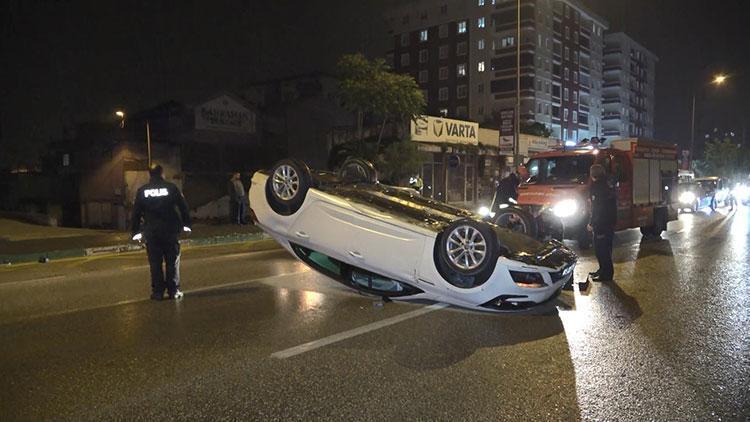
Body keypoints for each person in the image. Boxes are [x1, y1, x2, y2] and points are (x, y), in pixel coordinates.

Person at [131, 164, 192, 300]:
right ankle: (173, 290)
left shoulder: (142, 191)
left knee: (155, 262)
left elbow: (136, 213)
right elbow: (183, 207)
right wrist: (187, 225)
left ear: (150, 175)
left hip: (152, 232)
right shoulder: (171, 188)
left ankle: (158, 292)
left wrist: (135, 232)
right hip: (170, 230)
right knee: (172, 261)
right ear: (162, 173)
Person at [587, 164, 617, 282]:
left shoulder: (598, 187)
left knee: (602, 250)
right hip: (608, 222)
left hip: (601, 224)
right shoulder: (608, 184)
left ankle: (606, 275)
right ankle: (603, 270)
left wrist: (592, 223)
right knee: (606, 249)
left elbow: (598, 208)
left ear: (593, 174)